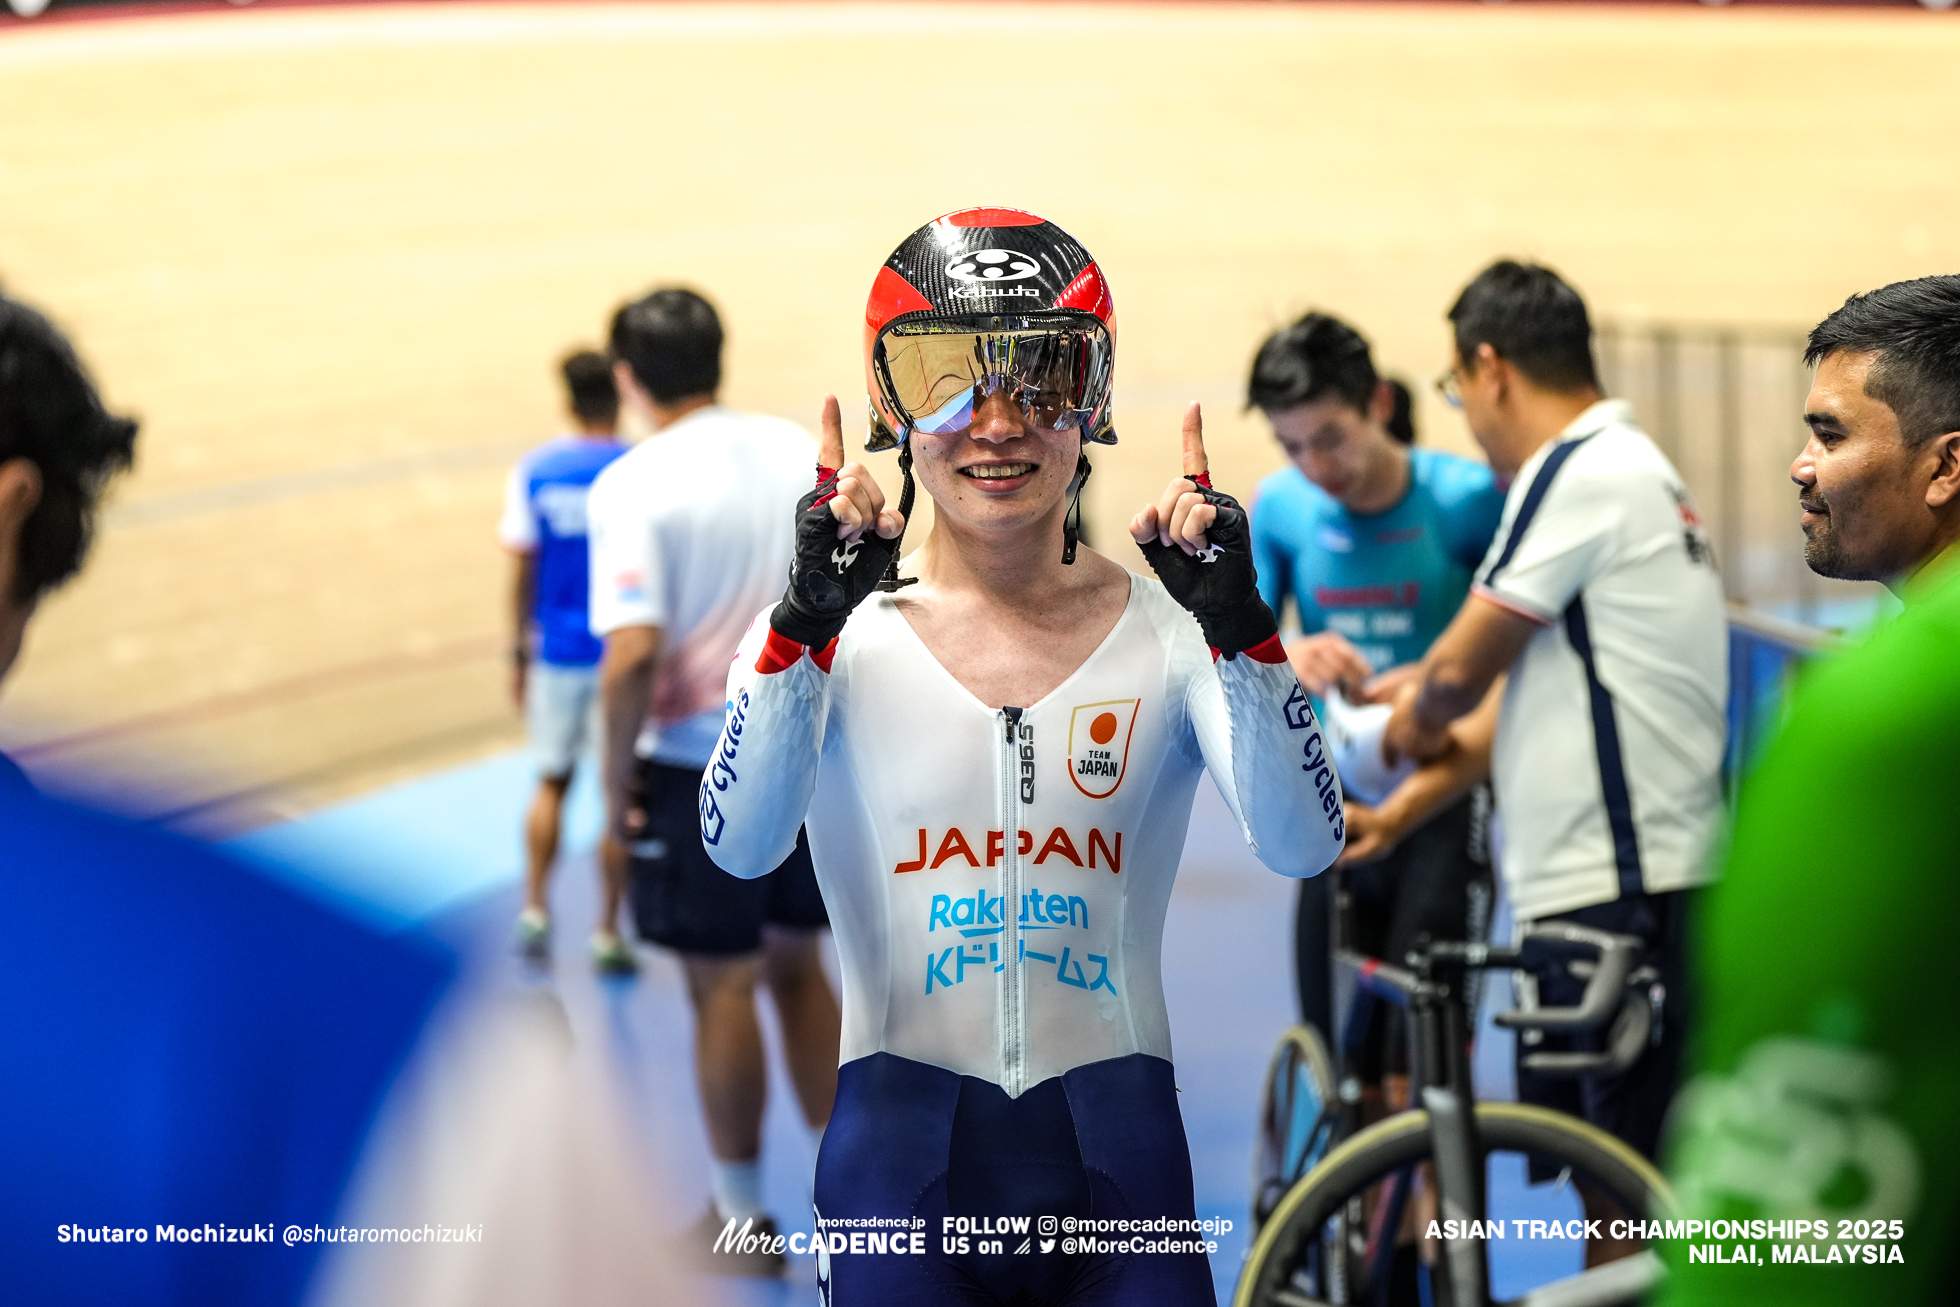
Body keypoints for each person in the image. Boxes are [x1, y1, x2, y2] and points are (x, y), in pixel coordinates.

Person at [699, 207, 1345, 1307]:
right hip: (903, 1164)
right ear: (891, 409)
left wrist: (1244, 631)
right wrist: (800, 626)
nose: (995, 424)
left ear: (1089, 405)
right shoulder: (835, 636)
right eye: (949, 379)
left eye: (1041, 379)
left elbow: (1302, 842)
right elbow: (745, 850)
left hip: (1114, 1160)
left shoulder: (1177, 630)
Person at [1382, 261, 1726, 1253]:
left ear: (1489, 368)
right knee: (1610, 1187)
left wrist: (1398, 725)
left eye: (1455, 390)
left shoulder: (1579, 469)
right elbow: (1521, 704)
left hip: (1613, 892)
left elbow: (1456, 675)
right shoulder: (1632, 467)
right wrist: (1401, 810)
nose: (1465, 416)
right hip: (1615, 886)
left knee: (1626, 1200)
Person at [1659, 275, 1960, 1306]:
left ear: (1945, 465)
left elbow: (1773, 1227)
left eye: (1828, 434)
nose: (1798, 465)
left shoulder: (1889, 714)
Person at [585, 287, 840, 1272]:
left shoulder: (634, 482)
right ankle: (853, 1202)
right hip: (808, 750)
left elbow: (630, 654)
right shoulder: (792, 451)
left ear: (628, 375)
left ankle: (741, 1220)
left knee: (721, 984)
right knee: (798, 965)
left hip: (696, 767)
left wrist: (616, 786)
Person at [1245, 312, 1505, 1102]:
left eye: (1330, 437)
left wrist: (1438, 671)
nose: (1314, 464)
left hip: (1443, 790)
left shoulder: (1464, 500)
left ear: (1380, 405)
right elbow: (1236, 654)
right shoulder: (1282, 508)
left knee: (1426, 1075)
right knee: (1343, 1072)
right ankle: (1345, 1214)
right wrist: (1291, 647)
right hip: (1331, 802)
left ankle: (1439, 1225)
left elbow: (1515, 647)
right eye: (1292, 446)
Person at [497, 349, 632, 971]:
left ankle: (534, 908)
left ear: (567, 401)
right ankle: (606, 929)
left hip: (557, 655)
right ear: (620, 394)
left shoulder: (536, 472)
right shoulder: (637, 470)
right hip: (619, 658)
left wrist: (518, 653)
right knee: (618, 796)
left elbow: (520, 569)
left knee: (551, 781)